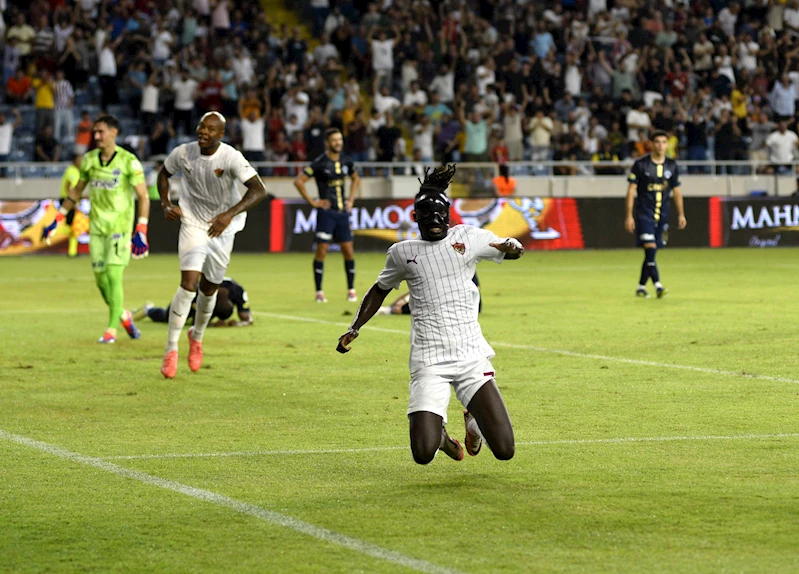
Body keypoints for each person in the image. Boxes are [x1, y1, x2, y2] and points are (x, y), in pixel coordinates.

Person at [336, 165, 523, 465]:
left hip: (470, 356)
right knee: (423, 454)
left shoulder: (468, 237)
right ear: (415, 218)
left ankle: (473, 418)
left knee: (505, 449)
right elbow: (380, 289)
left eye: (440, 215)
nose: (435, 222)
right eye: (427, 216)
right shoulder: (401, 252)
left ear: (449, 214)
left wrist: (512, 246)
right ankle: (441, 435)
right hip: (429, 360)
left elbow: (510, 248)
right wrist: (355, 327)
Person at [157, 111, 267, 379]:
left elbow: (259, 190)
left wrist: (228, 214)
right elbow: (163, 175)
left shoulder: (230, 157)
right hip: (193, 222)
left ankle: (197, 338)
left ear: (221, 134)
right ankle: (171, 350)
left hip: (222, 228)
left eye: (210, 129)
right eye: (200, 126)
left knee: (209, 290)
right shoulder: (183, 153)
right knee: (188, 284)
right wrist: (166, 203)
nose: (202, 131)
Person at [42, 115, 150, 343]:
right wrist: (57, 218)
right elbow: (76, 192)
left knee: (113, 275)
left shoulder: (129, 161)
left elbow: (143, 196)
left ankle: (111, 330)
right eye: (95, 132)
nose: (97, 136)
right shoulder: (90, 160)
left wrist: (141, 229)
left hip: (120, 229)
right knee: (101, 282)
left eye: (101, 132)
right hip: (97, 229)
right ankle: (123, 314)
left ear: (114, 132)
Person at [293, 128, 361, 303]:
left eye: (340, 139)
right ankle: (319, 292)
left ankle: (351, 290)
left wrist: (351, 200)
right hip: (326, 214)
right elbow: (299, 181)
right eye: (334, 140)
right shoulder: (320, 163)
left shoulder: (346, 160)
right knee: (322, 251)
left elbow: (356, 178)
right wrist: (313, 202)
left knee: (348, 250)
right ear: (328, 143)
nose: (338, 143)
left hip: (343, 214)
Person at [624, 130, 687, 299]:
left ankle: (641, 286)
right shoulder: (640, 165)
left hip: (663, 215)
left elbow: (677, 191)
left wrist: (681, 214)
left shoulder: (672, 165)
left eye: (663, 142)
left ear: (668, 144)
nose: (660, 145)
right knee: (650, 248)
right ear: (651, 144)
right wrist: (629, 216)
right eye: (657, 142)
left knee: (651, 252)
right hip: (644, 214)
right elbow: (631, 190)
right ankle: (658, 285)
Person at [133, 278, 252, 327]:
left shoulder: (237, 291)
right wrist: (210, 324)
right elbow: (195, 322)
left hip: (209, 301)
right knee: (170, 318)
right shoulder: (199, 291)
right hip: (188, 300)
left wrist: (237, 323)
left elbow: (247, 319)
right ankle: (148, 310)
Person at [59, 153, 83, 257]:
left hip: (74, 200)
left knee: (73, 226)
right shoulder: (70, 171)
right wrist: (71, 201)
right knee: (72, 226)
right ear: (74, 161)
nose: (81, 162)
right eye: (79, 159)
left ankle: (72, 252)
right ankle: (53, 232)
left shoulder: (79, 172)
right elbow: (67, 186)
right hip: (67, 200)